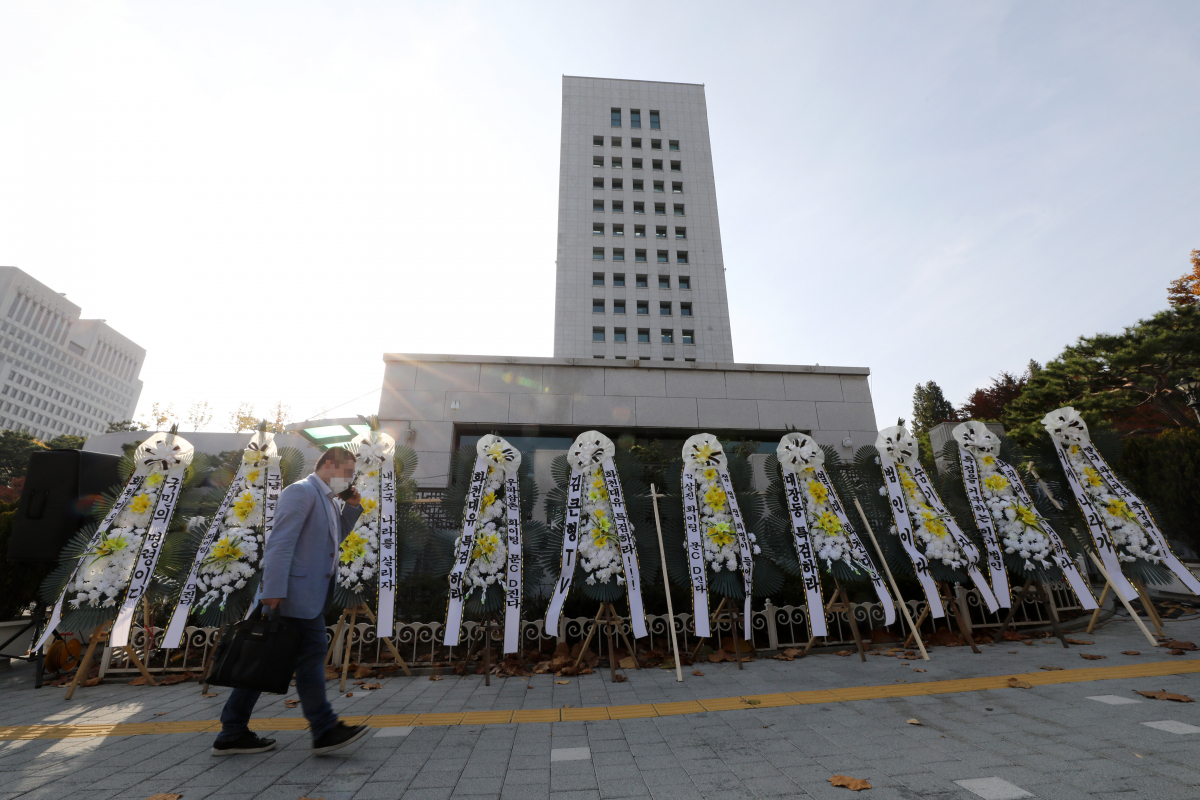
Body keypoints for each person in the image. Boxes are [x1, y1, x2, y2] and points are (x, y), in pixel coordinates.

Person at [211, 446, 370, 756]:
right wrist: (273, 591)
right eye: (346, 472)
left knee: (264, 660)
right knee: (297, 657)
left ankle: (232, 732)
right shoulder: (301, 492)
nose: (349, 478)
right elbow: (280, 544)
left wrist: (351, 508)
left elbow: (331, 545)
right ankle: (324, 730)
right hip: (288, 596)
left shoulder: (327, 501)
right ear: (327, 465)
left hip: (302, 596)